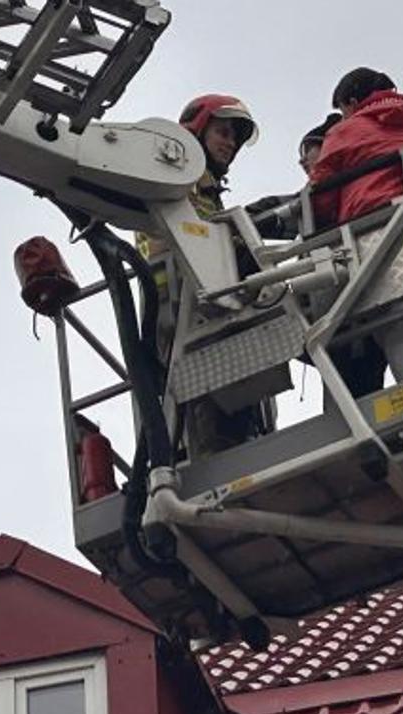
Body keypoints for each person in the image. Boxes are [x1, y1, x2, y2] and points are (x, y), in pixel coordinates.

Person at [139, 93, 271, 458]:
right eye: (223, 133)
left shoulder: (204, 186)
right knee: (208, 406)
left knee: (231, 403)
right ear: (197, 130)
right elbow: (198, 234)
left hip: (202, 306)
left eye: (235, 139)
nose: (230, 144)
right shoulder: (177, 176)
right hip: (182, 308)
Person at [308, 68, 403, 385]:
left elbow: (320, 196)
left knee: (400, 334)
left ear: (352, 102)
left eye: (342, 110)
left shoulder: (347, 130)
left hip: (384, 236)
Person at [297, 113, 389, 399]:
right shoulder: (346, 186)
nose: (303, 162)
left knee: (356, 383)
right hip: (338, 309)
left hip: (349, 303)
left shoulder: (337, 189)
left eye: (308, 152)